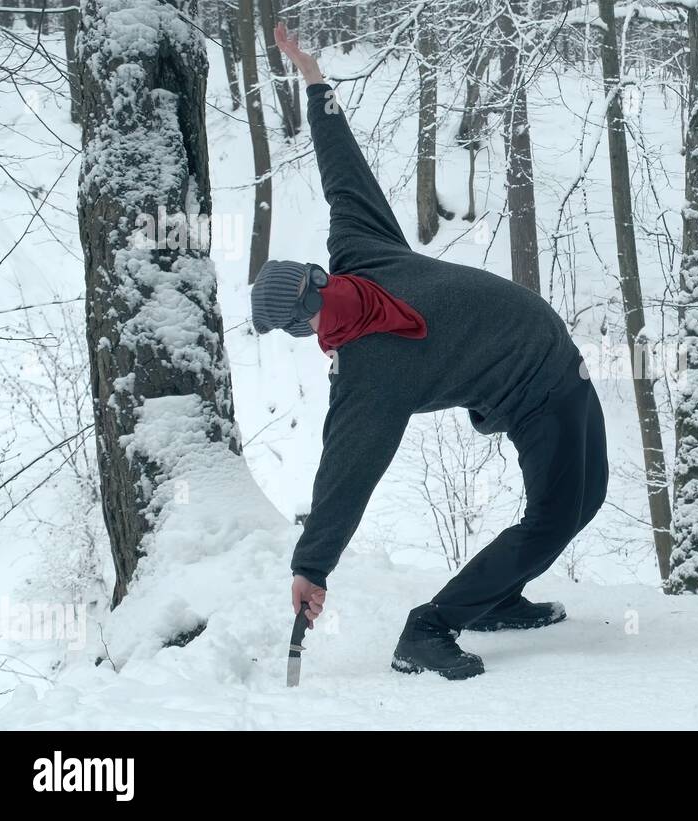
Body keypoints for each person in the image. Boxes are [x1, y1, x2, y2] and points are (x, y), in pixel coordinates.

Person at [251, 23, 607, 680]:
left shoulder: (362, 252)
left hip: (555, 360)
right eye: (310, 289)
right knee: (557, 514)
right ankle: (428, 627)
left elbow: (341, 168)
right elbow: (345, 476)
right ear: (309, 308)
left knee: (586, 497)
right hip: (533, 389)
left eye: (313, 278)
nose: (323, 284)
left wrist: (314, 79)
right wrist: (312, 565)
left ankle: (494, 599)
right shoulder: (370, 372)